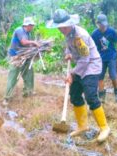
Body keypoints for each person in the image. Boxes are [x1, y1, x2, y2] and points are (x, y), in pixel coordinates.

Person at [47, 9, 110, 142]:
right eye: (59, 26)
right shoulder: (68, 33)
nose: (61, 29)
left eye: (63, 26)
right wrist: (68, 53)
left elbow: (86, 60)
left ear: (70, 23)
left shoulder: (79, 36)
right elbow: (69, 47)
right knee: (75, 94)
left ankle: (104, 128)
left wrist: (72, 73)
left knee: (90, 96)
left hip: (91, 66)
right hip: (81, 66)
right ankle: (82, 126)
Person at [3, 17, 40, 106]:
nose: (32, 27)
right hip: (15, 57)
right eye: (31, 25)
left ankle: (28, 92)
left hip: (24, 56)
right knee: (13, 76)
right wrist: (34, 42)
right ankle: (7, 98)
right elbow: (24, 42)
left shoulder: (28, 33)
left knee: (29, 73)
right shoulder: (19, 30)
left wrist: (36, 51)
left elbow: (28, 45)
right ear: (27, 25)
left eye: (32, 25)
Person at [91, 14, 117, 103]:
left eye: (105, 24)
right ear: (98, 23)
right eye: (102, 24)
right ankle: (101, 97)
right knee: (100, 77)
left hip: (112, 56)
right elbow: (91, 46)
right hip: (100, 58)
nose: (104, 26)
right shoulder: (94, 34)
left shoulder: (111, 31)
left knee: (113, 75)